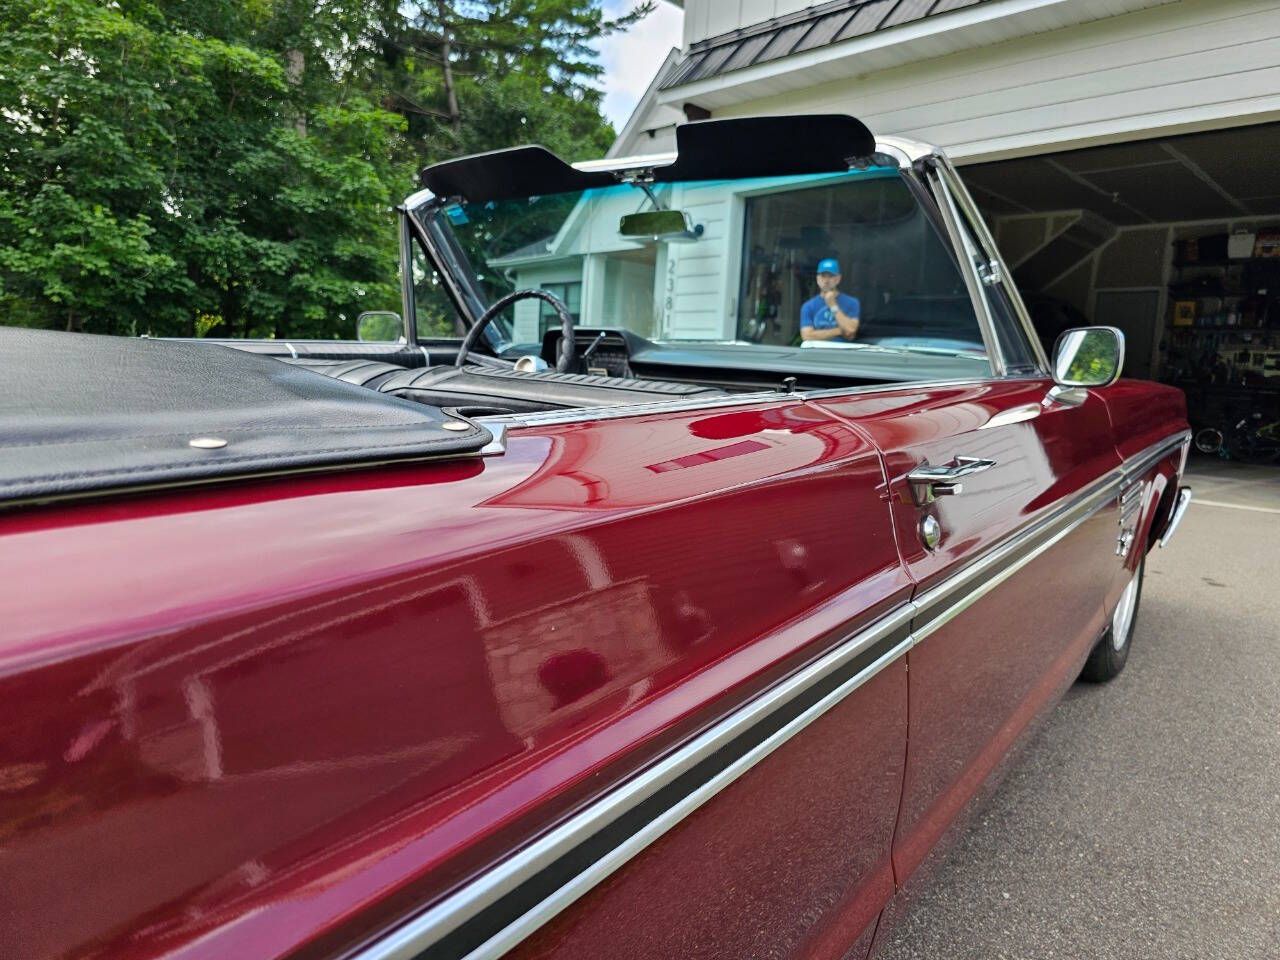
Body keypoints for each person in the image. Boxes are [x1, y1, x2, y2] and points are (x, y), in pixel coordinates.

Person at [800, 258, 860, 342]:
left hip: (842, 350)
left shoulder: (852, 303)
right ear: (817, 279)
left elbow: (850, 330)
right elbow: (807, 336)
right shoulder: (808, 306)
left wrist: (833, 305)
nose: (826, 281)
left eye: (830, 276)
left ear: (838, 279)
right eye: (823, 276)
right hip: (817, 350)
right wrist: (839, 331)